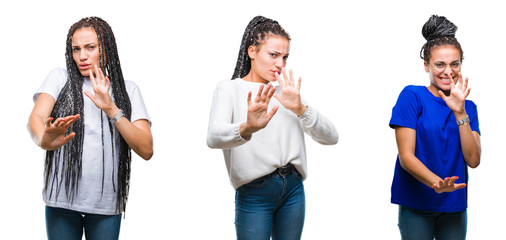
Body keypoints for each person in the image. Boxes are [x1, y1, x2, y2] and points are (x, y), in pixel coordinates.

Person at [206, 16, 338, 240]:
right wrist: (247, 127)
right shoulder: (229, 89)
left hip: (293, 190)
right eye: (273, 55)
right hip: (255, 192)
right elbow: (213, 137)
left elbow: (331, 137)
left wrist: (301, 109)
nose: (280, 64)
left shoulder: (286, 94)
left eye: (285, 57)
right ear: (252, 52)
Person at [28, 16, 153, 240]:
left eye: (90, 47)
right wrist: (43, 140)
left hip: (106, 204)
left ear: (105, 48)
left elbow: (146, 149)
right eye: (76, 49)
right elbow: (36, 119)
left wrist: (111, 108)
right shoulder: (60, 78)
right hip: (62, 202)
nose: (82, 56)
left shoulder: (128, 91)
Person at [389, 15, 481, 240]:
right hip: (417, 202)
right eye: (440, 64)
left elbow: (473, 160)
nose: (448, 72)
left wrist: (460, 112)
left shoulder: (469, 107)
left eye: (454, 64)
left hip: (454, 204)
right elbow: (406, 157)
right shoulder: (412, 96)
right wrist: (437, 183)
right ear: (426, 65)